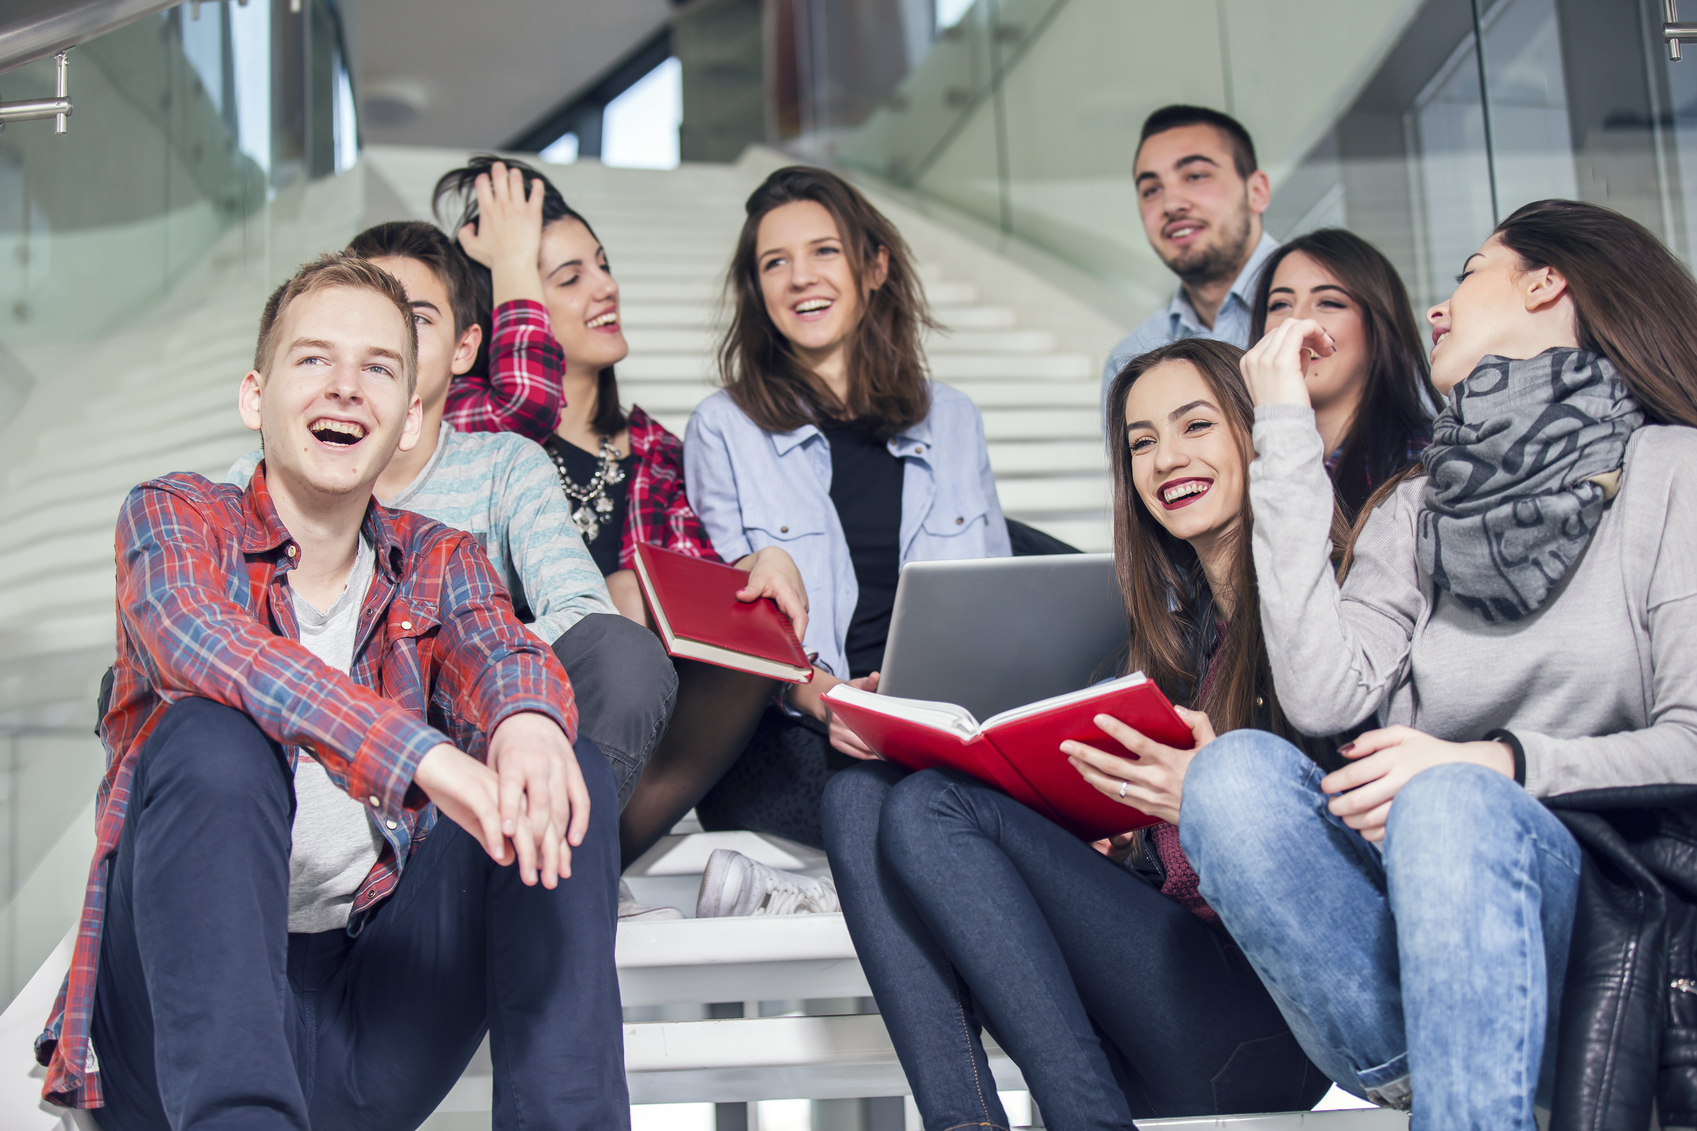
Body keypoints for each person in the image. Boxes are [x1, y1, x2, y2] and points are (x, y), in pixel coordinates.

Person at [37, 254, 627, 1127]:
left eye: (379, 368)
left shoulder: (440, 554)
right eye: (314, 359)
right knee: (212, 735)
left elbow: (498, 647)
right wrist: (422, 757)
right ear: (255, 397)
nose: (346, 387)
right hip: (180, 1027)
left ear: (409, 419)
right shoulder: (175, 516)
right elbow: (201, 641)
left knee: (557, 765)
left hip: (369, 1017)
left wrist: (528, 718)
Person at [1179, 199, 1697, 1130]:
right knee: (1231, 774)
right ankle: (1459, 1068)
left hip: (1607, 917)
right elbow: (1318, 690)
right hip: (1421, 948)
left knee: (1454, 798)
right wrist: (1285, 433)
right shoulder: (1414, 507)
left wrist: (1492, 764)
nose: (1436, 307)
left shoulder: (1672, 473)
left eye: (1468, 270)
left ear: (1546, 282)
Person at [821, 337, 1333, 1128]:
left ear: (1253, 430)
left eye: (1195, 426)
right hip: (1148, 1019)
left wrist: (1205, 800)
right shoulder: (1174, 636)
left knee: (932, 810)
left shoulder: (1317, 616)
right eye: (1141, 441)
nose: (1165, 458)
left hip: (1267, 1019)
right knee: (857, 795)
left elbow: (1343, 867)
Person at [429, 156, 813, 878]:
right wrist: (510, 259)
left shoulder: (657, 451)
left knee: (737, 613)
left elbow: (701, 610)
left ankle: (587, 860)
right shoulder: (469, 425)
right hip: (501, 738)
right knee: (621, 604)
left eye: (601, 265)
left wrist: (757, 575)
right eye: (568, 277)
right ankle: (548, 861)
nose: (605, 287)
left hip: (632, 761)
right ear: (506, 307)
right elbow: (520, 407)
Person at [226, 219, 678, 825]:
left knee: (620, 652)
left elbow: (584, 615)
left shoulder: (500, 472)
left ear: (465, 348)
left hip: (476, 750)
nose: (382, 339)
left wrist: (433, 676)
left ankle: (545, 867)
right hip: (298, 761)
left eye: (414, 317)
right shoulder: (243, 487)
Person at [685, 165, 1010, 852]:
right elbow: (733, 635)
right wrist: (835, 698)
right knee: (889, 803)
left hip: (942, 720)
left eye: (824, 251)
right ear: (758, 291)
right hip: (797, 727)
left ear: (874, 266)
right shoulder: (722, 428)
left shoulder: (953, 418)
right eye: (775, 262)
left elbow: (996, 598)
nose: (801, 276)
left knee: (944, 797)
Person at [1249, 228, 1437, 519]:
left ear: (1378, 327)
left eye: (1329, 302)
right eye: (1280, 305)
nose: (1296, 322)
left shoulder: (1422, 465)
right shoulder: (1240, 461)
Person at [1101, 105, 1277, 414]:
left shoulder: (1333, 310)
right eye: (1151, 189)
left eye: (1195, 176)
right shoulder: (1130, 359)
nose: (1171, 204)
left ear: (1257, 191)